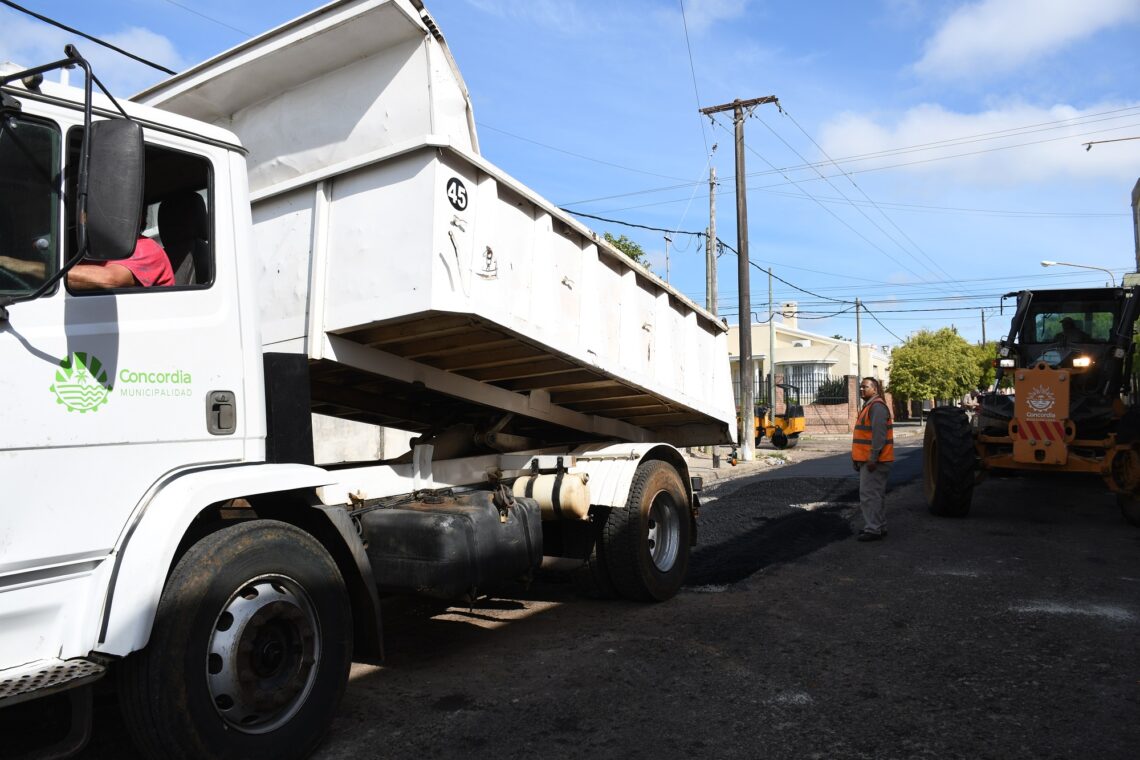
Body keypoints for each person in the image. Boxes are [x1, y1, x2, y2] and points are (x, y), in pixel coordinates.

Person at [0, 235, 174, 290]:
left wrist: (21, 266)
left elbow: (109, 279)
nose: (83, 216)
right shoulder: (96, 250)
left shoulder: (145, 247)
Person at [852, 376, 893, 541]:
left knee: (869, 496)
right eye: (860, 387)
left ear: (875, 389)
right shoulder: (869, 407)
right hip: (869, 460)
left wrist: (873, 457)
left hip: (876, 461)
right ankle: (879, 526)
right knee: (876, 495)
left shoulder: (876, 407)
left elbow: (879, 435)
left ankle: (873, 529)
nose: (862, 389)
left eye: (865, 387)